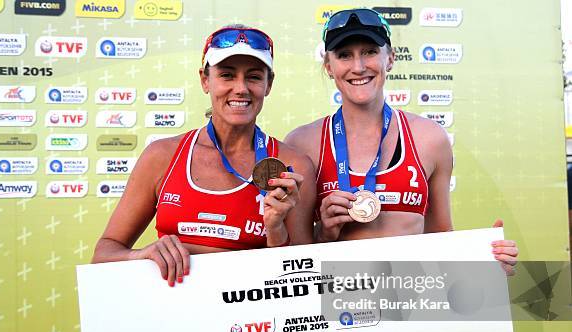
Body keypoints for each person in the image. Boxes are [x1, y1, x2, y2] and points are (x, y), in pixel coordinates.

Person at [285, 8, 517, 274]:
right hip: (339, 305)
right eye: (344, 55)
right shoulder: (303, 143)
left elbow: (440, 238)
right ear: (329, 66)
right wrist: (325, 234)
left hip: (410, 304)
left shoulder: (430, 138)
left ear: (391, 59)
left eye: (370, 51)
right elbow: (292, 266)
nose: (358, 67)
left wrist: (487, 264)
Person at [92, 25, 316, 286]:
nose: (241, 88)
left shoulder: (292, 165)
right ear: (205, 80)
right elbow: (103, 254)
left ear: (269, 85)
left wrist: (276, 231)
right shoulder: (163, 156)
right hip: (174, 319)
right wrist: (141, 255)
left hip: (251, 320)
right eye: (227, 75)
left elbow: (302, 280)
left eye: (254, 77)